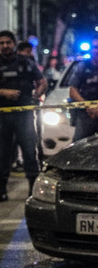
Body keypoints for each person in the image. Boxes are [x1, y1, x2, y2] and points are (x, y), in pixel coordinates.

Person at [0, 31, 47, 200]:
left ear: (14, 44)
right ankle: (1, 190)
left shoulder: (26, 62)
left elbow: (42, 81)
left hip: (24, 115)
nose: (5, 46)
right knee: (3, 154)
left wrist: (36, 94)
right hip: (3, 116)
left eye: (8, 42)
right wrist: (3, 92)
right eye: (1, 43)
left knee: (29, 152)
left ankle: (33, 191)